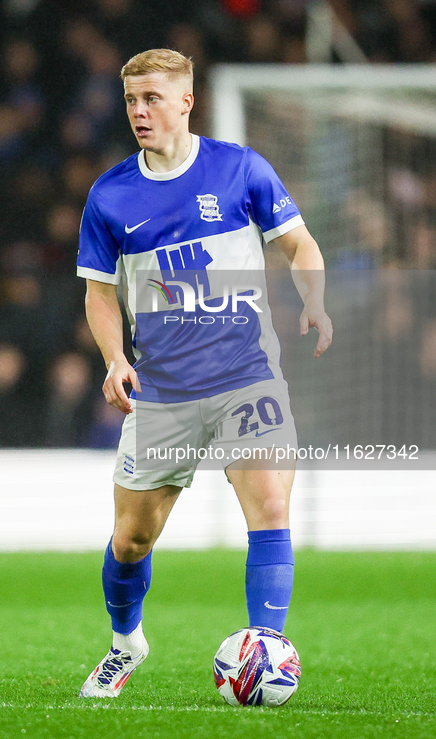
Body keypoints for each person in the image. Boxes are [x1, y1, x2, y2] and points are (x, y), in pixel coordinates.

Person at [76, 49, 333, 699]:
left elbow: (298, 242)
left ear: (185, 101)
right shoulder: (110, 196)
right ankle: (124, 639)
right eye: (132, 99)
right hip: (162, 391)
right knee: (132, 538)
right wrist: (114, 357)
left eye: (153, 98)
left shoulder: (239, 169)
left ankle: (263, 652)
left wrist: (313, 297)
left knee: (270, 506)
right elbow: (99, 292)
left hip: (246, 374)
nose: (139, 111)